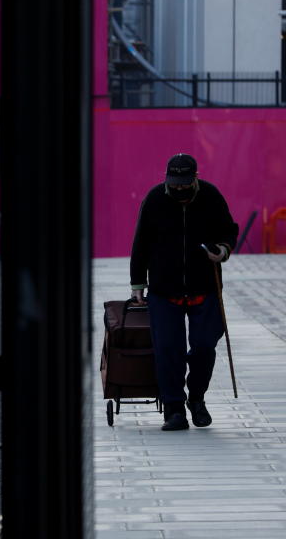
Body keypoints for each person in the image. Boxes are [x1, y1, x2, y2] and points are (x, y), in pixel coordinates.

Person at [129, 153, 239, 431]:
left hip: (205, 286)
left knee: (204, 346)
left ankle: (197, 398)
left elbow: (229, 230)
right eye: (174, 183)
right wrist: (137, 284)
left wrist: (222, 251)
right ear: (167, 178)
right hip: (164, 290)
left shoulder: (211, 196)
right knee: (168, 349)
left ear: (195, 178)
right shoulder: (154, 199)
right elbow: (141, 242)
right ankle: (174, 408)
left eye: (184, 183)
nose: (179, 188)